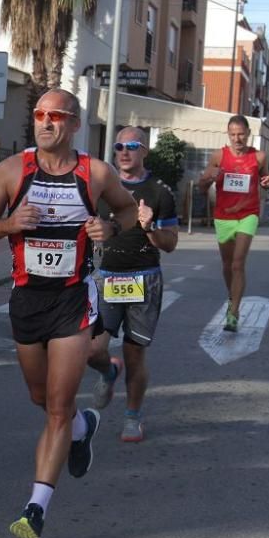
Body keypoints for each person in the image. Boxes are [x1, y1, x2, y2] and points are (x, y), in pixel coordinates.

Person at [0, 89, 138, 538]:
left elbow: (127, 210)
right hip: (27, 301)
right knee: (39, 398)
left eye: (56, 116)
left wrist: (110, 228)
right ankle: (87, 426)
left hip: (72, 301)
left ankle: (35, 508)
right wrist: (9, 225)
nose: (45, 123)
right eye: (40, 115)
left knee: (57, 408)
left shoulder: (96, 173)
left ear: (74, 123)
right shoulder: (12, 171)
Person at [86, 127, 178, 443]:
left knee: (134, 354)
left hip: (145, 279)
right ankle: (108, 372)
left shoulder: (160, 191)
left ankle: (132, 416)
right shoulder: (101, 187)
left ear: (144, 151)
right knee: (92, 349)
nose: (124, 151)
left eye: (132, 145)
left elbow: (170, 244)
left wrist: (149, 227)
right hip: (107, 278)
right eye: (119, 146)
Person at [197, 115, 269, 332]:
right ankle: (233, 297)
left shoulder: (259, 157)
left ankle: (233, 312)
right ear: (228, 134)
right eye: (232, 134)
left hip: (248, 214)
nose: (237, 138)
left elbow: (267, 182)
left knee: (238, 263)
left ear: (248, 133)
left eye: (241, 134)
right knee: (227, 264)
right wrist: (207, 179)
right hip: (223, 216)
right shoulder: (218, 155)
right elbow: (201, 188)